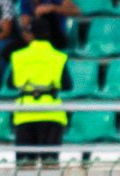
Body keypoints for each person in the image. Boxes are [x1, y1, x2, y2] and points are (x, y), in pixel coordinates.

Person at [7, 17, 72, 166]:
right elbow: (67, 85)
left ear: (31, 34)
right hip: (51, 113)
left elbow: (10, 84)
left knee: (25, 165)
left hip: (25, 113)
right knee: (50, 164)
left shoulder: (18, 56)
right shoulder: (59, 57)